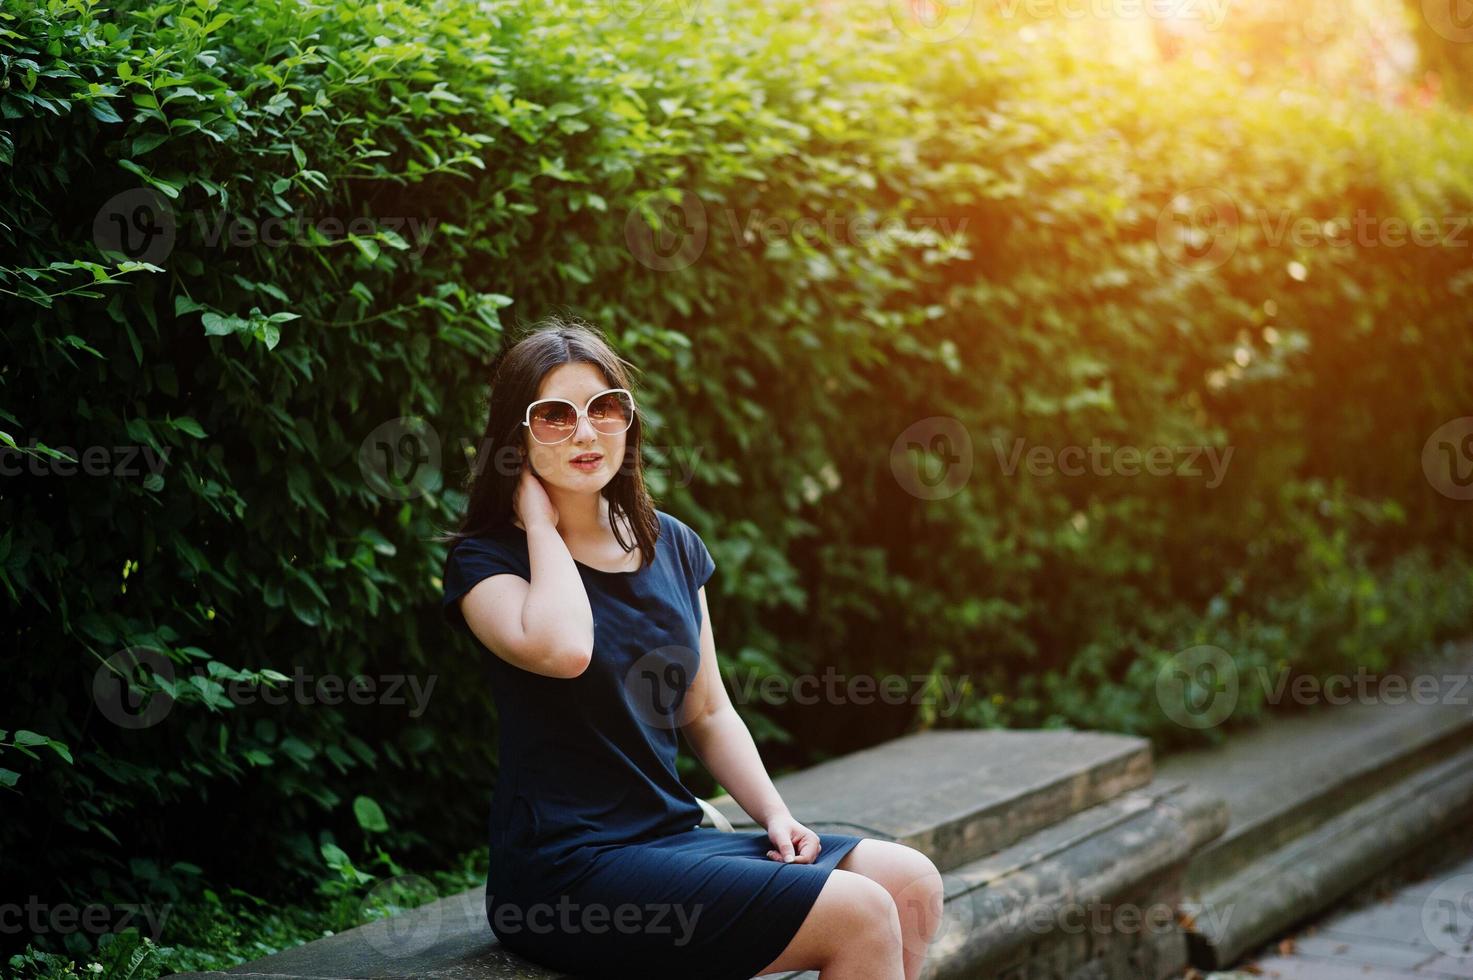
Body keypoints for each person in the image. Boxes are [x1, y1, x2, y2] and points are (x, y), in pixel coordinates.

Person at [440, 314, 944, 979]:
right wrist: (539, 522)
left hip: (672, 838)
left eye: (604, 407)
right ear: (517, 435)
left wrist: (773, 815)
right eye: (555, 416)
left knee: (910, 885)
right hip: (564, 870)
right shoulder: (487, 562)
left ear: (628, 419)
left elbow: (705, 712)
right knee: (857, 913)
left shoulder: (669, 543)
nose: (586, 431)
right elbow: (564, 649)